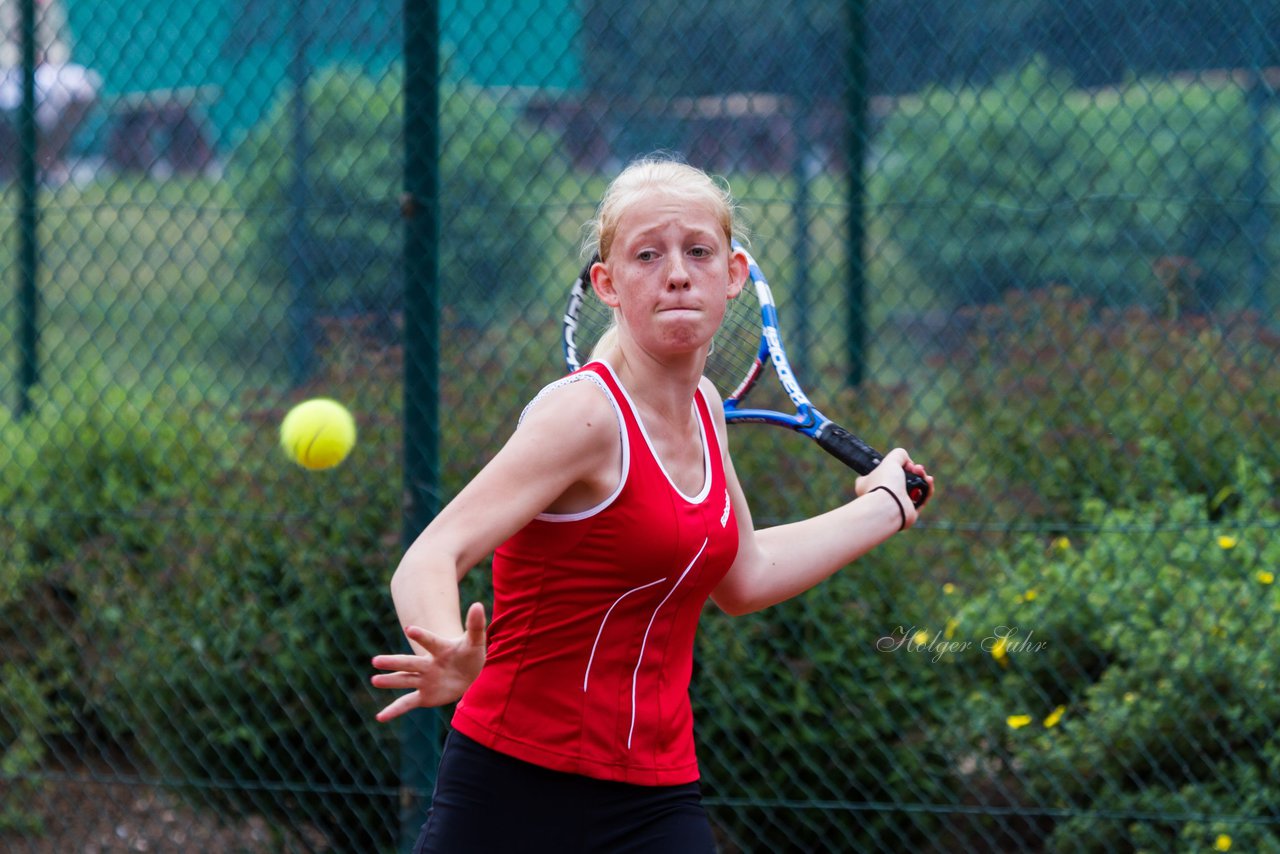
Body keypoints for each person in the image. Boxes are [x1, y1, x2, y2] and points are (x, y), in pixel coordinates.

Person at [371, 156, 933, 853]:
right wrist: (450, 646)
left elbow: (744, 577)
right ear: (606, 284)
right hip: (512, 785)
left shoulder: (703, 408)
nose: (676, 272)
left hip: (657, 798)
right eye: (647, 255)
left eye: (698, 251)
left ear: (733, 276)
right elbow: (431, 554)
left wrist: (883, 506)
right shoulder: (582, 415)